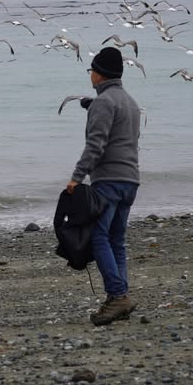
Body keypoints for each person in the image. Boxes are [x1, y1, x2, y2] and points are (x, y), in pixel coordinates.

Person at [66, 46, 142, 326]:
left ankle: (118, 295)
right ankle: (119, 297)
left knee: (99, 237)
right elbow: (125, 137)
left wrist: (77, 177)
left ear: (100, 74)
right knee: (116, 240)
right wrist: (93, 105)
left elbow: (95, 145)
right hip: (130, 180)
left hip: (108, 180)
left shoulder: (104, 103)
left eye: (92, 70)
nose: (91, 75)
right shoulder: (130, 102)